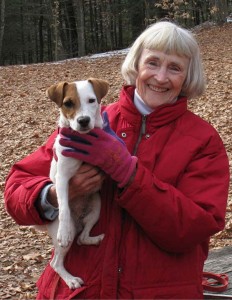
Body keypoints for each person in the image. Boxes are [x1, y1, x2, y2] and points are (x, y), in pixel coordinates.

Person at [4, 21, 230, 299]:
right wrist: (54, 194)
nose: (160, 77)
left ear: (188, 76)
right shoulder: (87, 123)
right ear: (136, 65)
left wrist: (128, 173)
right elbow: (16, 190)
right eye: (153, 62)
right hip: (79, 291)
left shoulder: (203, 141)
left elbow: (194, 229)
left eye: (174, 68)